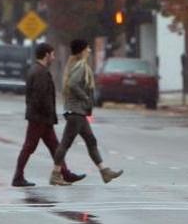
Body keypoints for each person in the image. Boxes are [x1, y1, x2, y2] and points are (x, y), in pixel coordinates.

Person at [11, 42, 85, 187]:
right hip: (40, 118)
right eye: (52, 54)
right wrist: (47, 114)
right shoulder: (40, 73)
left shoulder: (36, 70)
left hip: (42, 118)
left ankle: (65, 173)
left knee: (55, 147)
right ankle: (18, 177)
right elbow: (40, 97)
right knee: (29, 147)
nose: (54, 57)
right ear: (46, 55)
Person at [50, 39, 122, 186]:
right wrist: (85, 97)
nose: (89, 51)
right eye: (87, 48)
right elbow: (73, 84)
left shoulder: (76, 65)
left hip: (78, 112)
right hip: (77, 112)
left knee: (91, 141)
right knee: (65, 143)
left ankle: (104, 172)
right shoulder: (81, 67)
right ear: (82, 50)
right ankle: (55, 174)